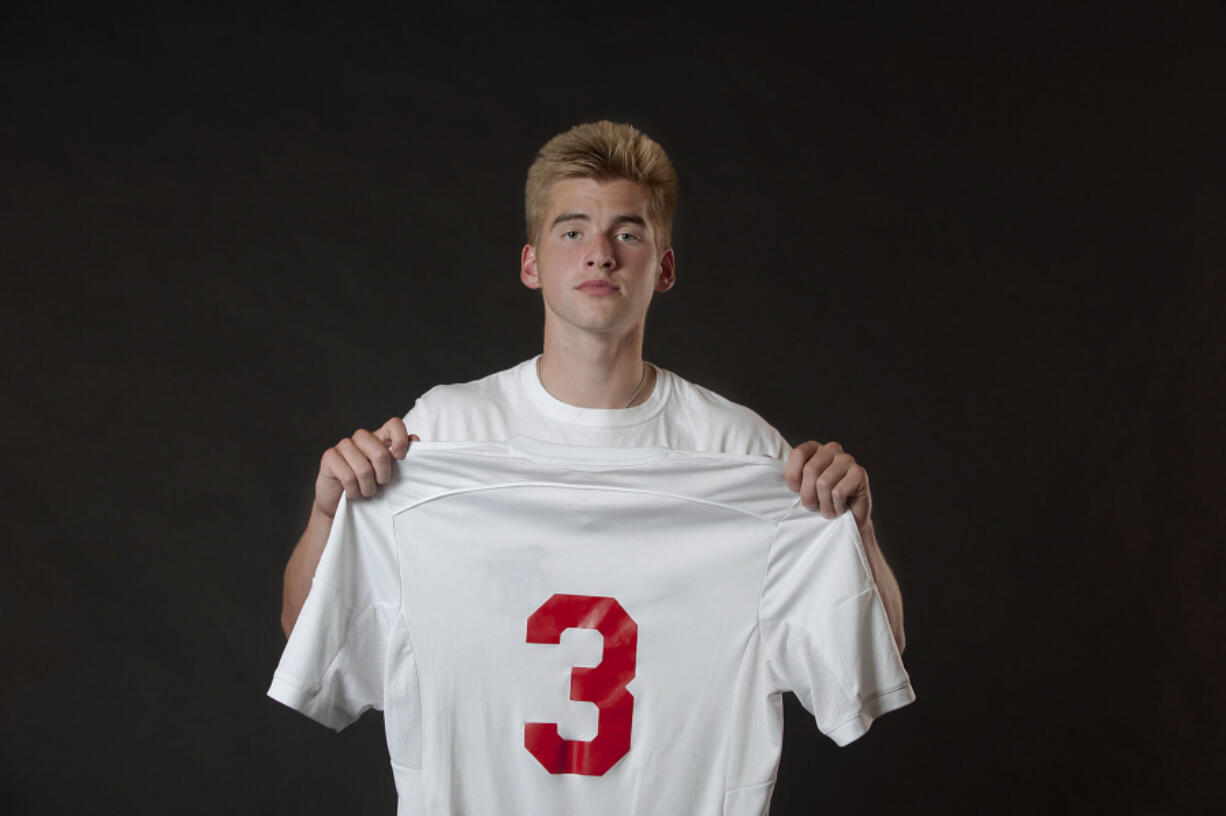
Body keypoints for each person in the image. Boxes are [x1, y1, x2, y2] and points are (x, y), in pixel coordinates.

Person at [279, 120, 905, 653]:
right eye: (572, 231)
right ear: (531, 264)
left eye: (627, 234)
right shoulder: (440, 433)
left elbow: (872, 658)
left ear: (663, 269)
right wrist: (329, 515)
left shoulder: (739, 448)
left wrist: (858, 532)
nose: (600, 254)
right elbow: (308, 635)